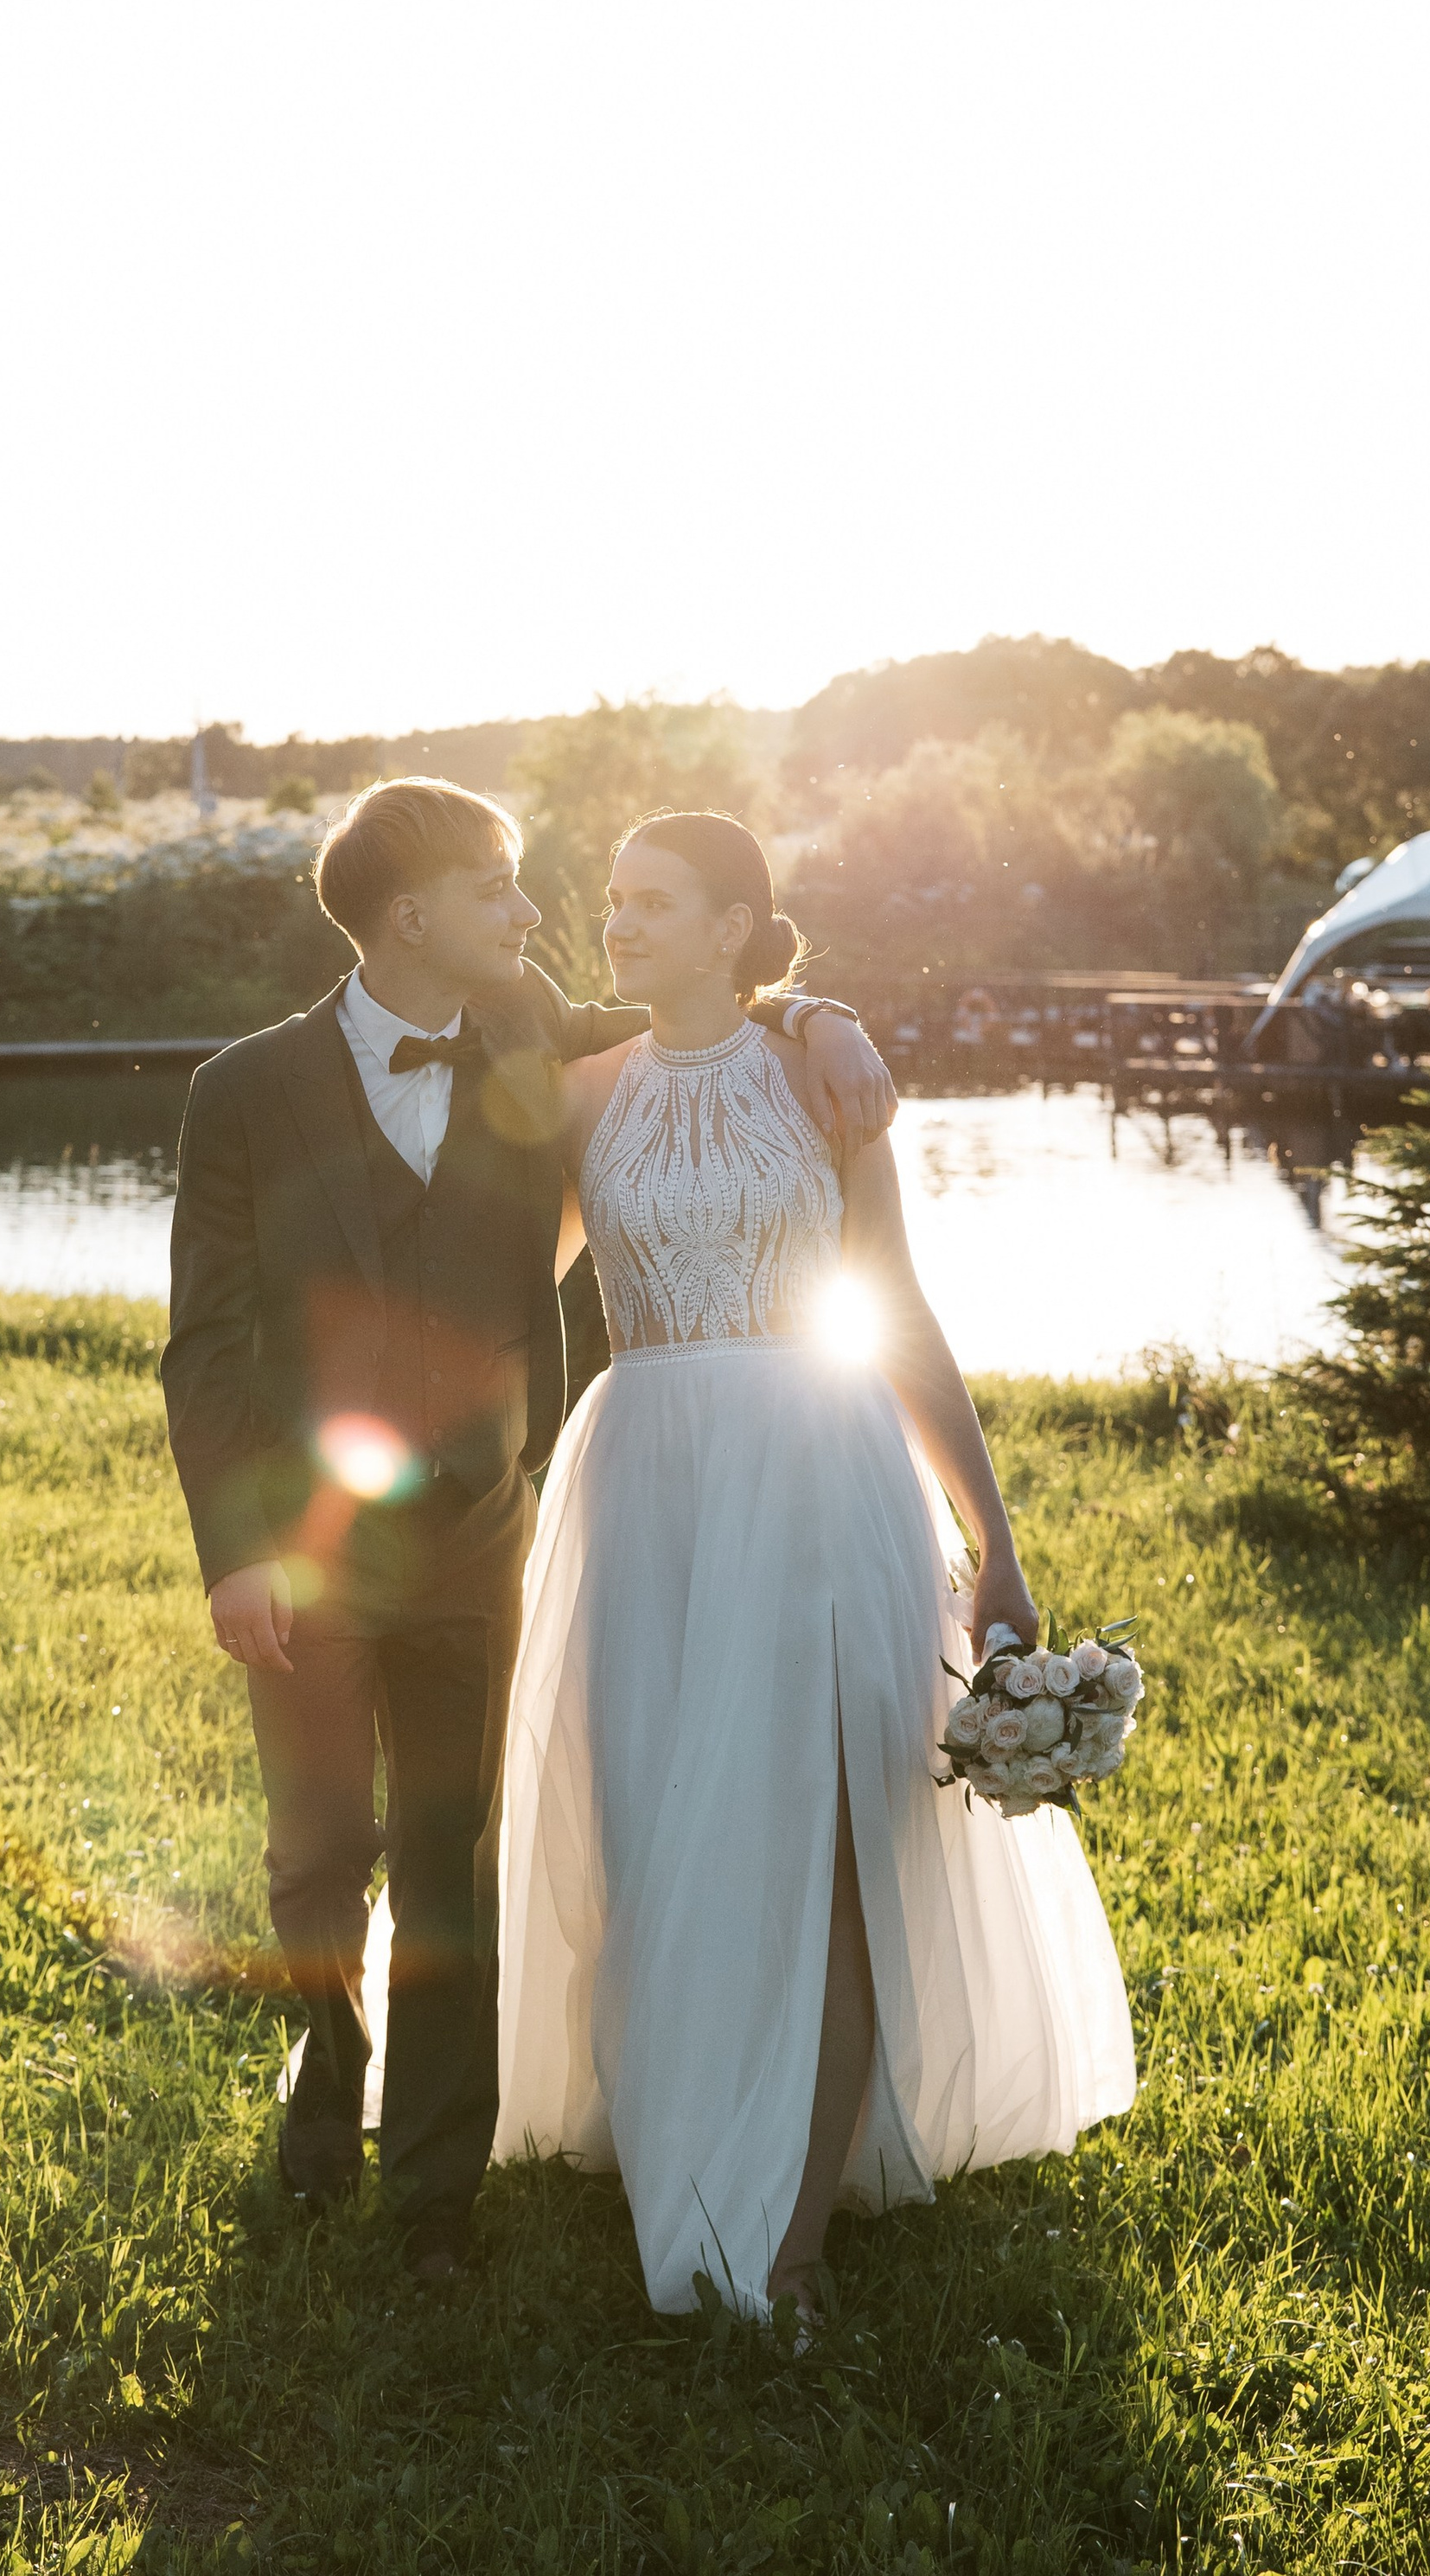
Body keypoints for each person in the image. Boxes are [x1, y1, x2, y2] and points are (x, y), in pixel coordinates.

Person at [160, 778, 896, 2285]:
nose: (535, 909)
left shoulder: (536, 1035)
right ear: (413, 913)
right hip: (301, 1542)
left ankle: (433, 2194)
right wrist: (234, 1548)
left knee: (453, 1853)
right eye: (501, 884)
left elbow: (705, 1019)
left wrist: (819, 1011)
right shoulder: (241, 1088)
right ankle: (325, 2071)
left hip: (479, 1533)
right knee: (318, 1849)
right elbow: (206, 1342)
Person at [494, 810, 1134, 2323]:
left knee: (833, 1838)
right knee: (662, 1832)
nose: (618, 922)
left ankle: (789, 2241)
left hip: (824, 1470)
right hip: (648, 1484)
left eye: (653, 901)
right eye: (611, 898)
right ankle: (675, 2133)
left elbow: (895, 1307)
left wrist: (995, 1536)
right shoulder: (586, 1096)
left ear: (735, 924)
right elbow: (506, 1293)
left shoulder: (822, 1080)